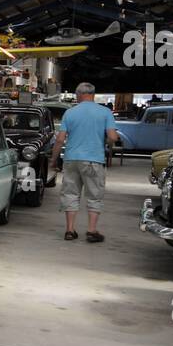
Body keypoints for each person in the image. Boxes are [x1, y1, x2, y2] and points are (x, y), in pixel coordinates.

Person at [52, 82, 118, 243]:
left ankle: (69, 230)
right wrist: (108, 145)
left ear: (79, 95)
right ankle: (91, 230)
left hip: (71, 159)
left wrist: (54, 159)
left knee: (70, 194)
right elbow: (113, 137)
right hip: (93, 160)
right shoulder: (105, 112)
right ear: (93, 95)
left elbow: (60, 139)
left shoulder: (70, 112)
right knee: (94, 195)